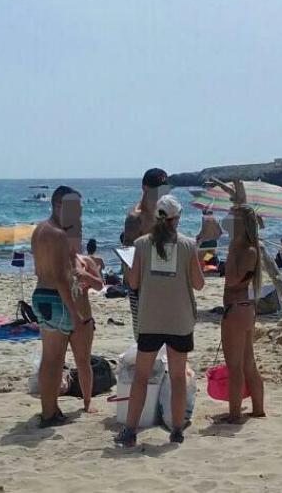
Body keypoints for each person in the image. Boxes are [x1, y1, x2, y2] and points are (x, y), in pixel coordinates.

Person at [115, 195, 204, 446]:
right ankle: (176, 430)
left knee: (141, 377)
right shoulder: (188, 245)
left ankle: (130, 430)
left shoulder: (141, 244)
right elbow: (199, 284)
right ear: (177, 218)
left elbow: (133, 283)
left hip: (150, 318)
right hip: (179, 320)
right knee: (177, 378)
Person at [30, 186, 88, 427]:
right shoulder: (58, 234)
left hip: (40, 294)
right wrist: (75, 313)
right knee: (55, 360)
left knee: (49, 358)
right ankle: (49, 413)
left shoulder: (39, 230)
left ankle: (51, 408)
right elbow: (61, 278)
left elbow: (40, 269)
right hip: (56, 298)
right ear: (57, 206)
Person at [219, 204, 265, 424]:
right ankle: (257, 409)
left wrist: (231, 252)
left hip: (236, 308)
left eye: (233, 219)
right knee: (247, 363)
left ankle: (235, 414)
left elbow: (232, 280)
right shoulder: (248, 249)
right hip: (244, 308)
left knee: (235, 366)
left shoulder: (247, 250)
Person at [122, 168, 170, 339]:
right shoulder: (135, 218)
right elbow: (127, 255)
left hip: (164, 280)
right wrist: (133, 287)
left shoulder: (164, 214)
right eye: (156, 189)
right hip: (141, 284)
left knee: (167, 333)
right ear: (145, 188)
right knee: (144, 337)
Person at [71, 243, 105, 413]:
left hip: (83, 319)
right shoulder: (55, 261)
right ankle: (51, 404)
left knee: (83, 361)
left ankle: (87, 401)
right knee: (55, 361)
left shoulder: (85, 261)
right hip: (61, 318)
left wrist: (85, 276)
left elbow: (100, 285)